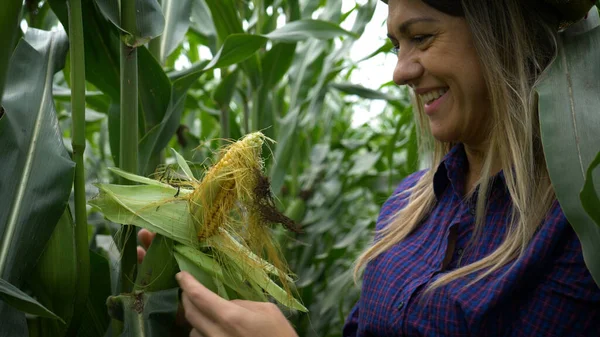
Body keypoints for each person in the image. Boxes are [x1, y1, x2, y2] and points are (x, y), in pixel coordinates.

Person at [138, 0, 600, 335]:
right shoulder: (407, 206)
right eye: (397, 44)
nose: (399, 71)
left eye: (420, 37)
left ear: (499, 29)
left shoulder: (580, 222)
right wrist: (211, 305)